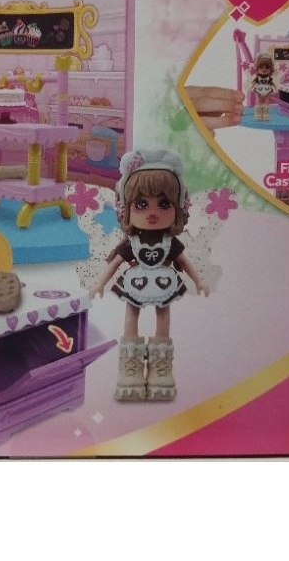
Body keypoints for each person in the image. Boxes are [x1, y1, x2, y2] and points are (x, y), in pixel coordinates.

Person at [90, 147, 208, 401]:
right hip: (136, 280)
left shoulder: (169, 243)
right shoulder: (132, 242)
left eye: (164, 204)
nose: (152, 212)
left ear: (178, 208)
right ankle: (130, 365)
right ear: (126, 209)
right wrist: (100, 283)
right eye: (141, 204)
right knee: (131, 313)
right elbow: (115, 263)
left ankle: (160, 364)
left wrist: (198, 280)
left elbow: (184, 261)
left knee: (163, 314)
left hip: (164, 281)